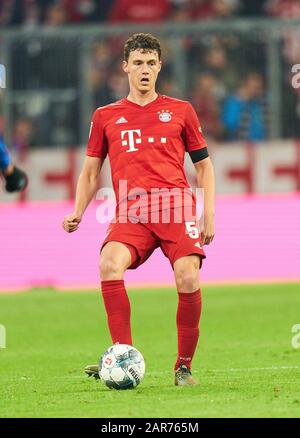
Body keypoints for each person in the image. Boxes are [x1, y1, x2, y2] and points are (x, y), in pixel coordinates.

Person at [62, 33, 215, 386]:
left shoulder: (181, 111)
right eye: (138, 63)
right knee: (108, 263)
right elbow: (90, 170)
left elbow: (205, 166)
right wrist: (78, 211)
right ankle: (122, 356)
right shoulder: (105, 116)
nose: (144, 70)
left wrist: (209, 214)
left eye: (151, 63)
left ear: (159, 67)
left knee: (188, 276)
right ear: (125, 67)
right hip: (131, 211)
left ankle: (183, 367)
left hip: (175, 208)